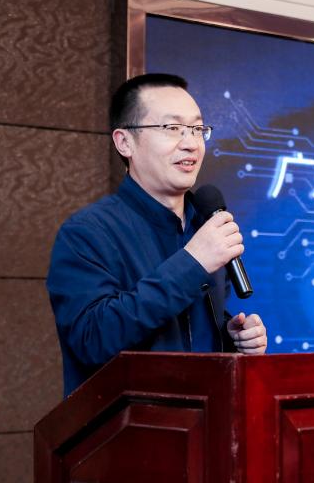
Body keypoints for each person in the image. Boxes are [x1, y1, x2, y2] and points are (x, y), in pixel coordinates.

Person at [47, 73, 267, 397]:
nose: (191, 143)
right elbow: (93, 340)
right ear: (125, 142)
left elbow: (188, 334)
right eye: (172, 128)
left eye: (197, 129)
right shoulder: (87, 233)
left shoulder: (203, 224)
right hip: (132, 425)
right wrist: (192, 263)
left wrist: (232, 338)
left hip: (207, 420)